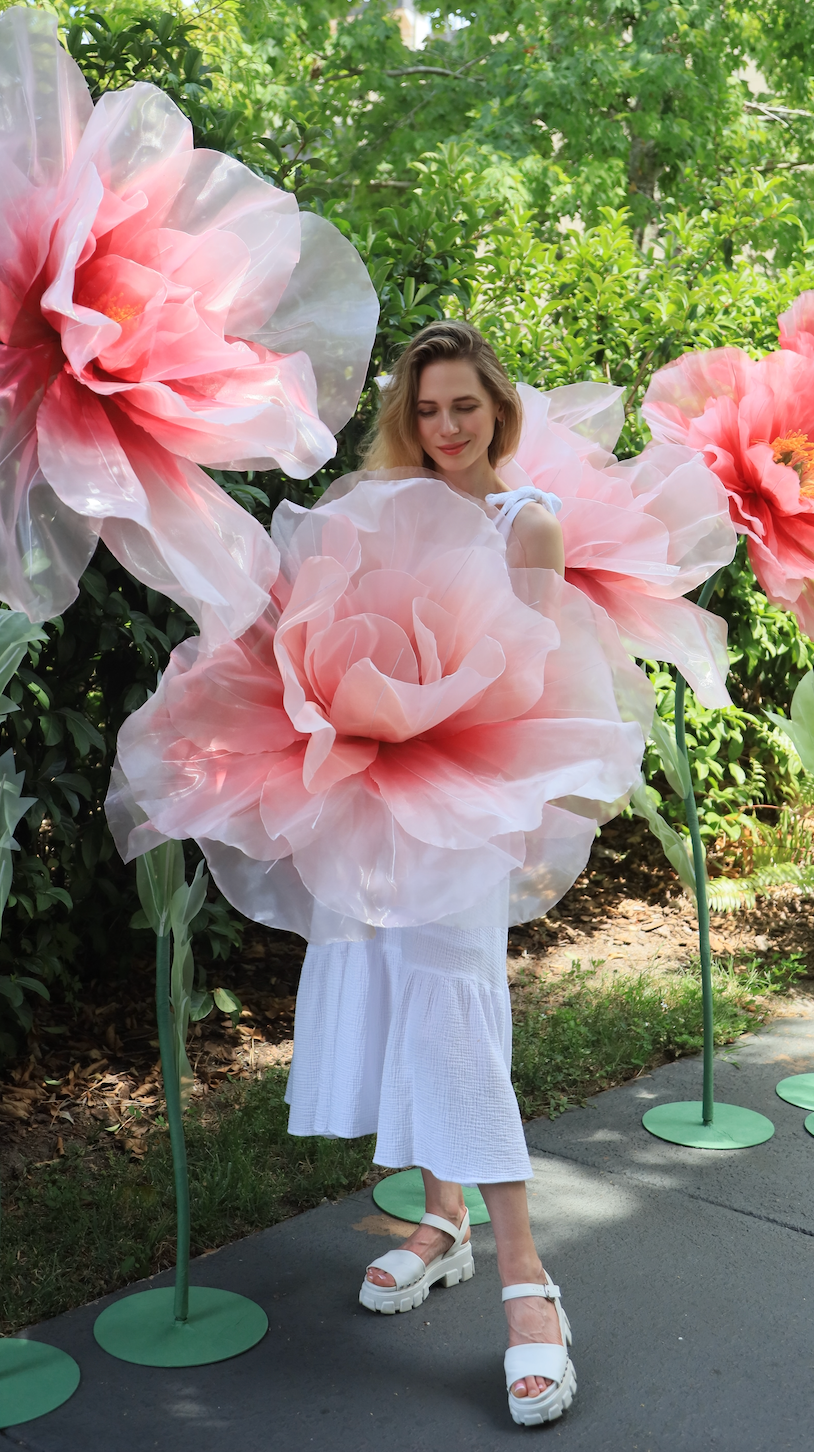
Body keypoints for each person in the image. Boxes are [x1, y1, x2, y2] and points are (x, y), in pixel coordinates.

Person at [284, 319, 578, 1426]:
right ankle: (439, 1224)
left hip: (460, 795)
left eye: (464, 405)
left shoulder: (525, 520)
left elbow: (526, 680)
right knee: (401, 994)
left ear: (497, 408)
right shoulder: (379, 508)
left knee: (458, 1022)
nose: (445, 426)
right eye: (426, 408)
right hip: (373, 791)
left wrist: (423, 721)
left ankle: (526, 1290)